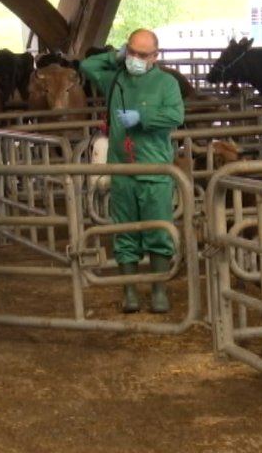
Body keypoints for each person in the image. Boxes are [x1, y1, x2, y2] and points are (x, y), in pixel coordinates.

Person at [79, 29, 185, 314]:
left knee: (158, 231)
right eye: (132, 52)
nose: (136, 59)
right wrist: (116, 56)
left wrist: (144, 118)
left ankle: (159, 290)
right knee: (124, 232)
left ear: (155, 57)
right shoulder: (115, 79)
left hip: (154, 168)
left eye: (142, 54)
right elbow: (86, 66)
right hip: (122, 168)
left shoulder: (166, 83)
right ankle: (129, 292)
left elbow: (177, 115)